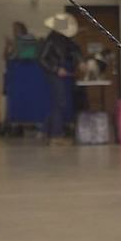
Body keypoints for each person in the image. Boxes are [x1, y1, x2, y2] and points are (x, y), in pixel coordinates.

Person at [39, 13, 82, 145]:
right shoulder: (51, 40)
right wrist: (56, 69)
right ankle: (56, 135)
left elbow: (74, 52)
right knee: (59, 102)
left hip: (60, 74)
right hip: (54, 74)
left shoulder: (64, 40)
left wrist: (79, 61)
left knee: (58, 102)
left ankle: (47, 131)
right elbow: (42, 59)